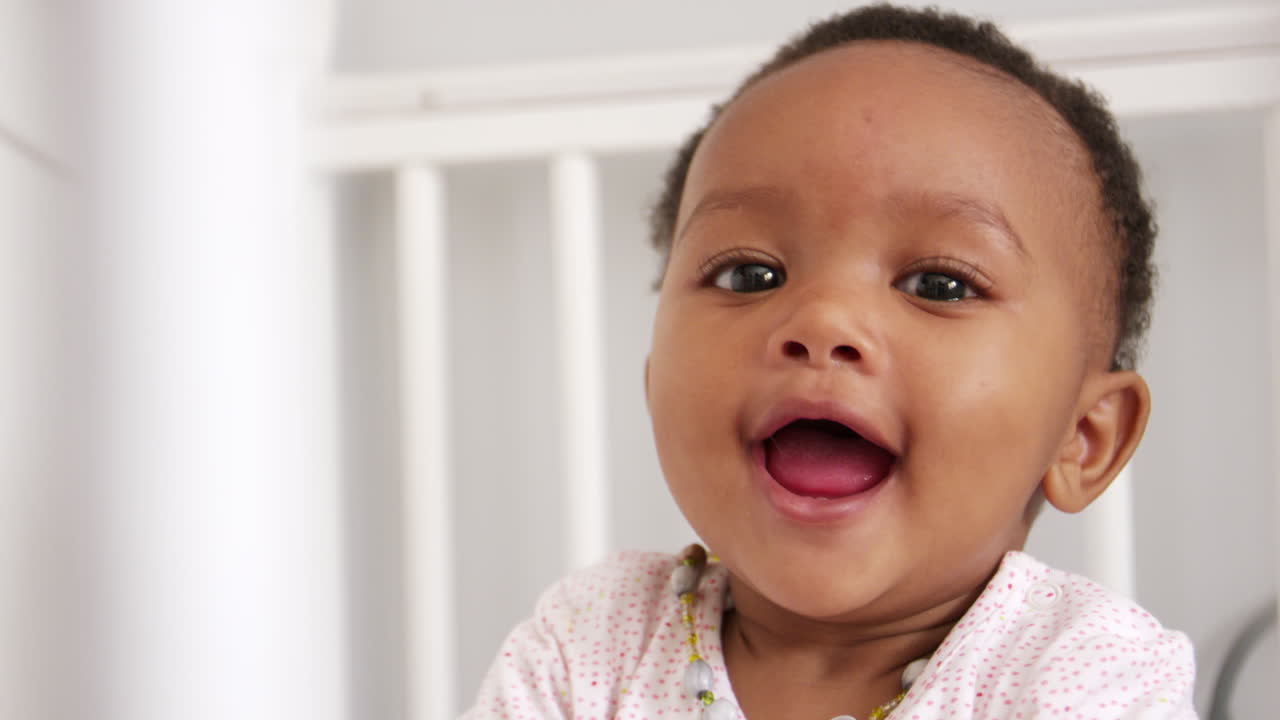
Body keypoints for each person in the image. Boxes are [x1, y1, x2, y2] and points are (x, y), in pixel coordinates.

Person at [462, 4, 1196, 719]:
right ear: (654, 383)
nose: (822, 321)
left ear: (1083, 436)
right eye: (750, 274)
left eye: (939, 285)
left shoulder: (1084, 675)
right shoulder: (589, 646)